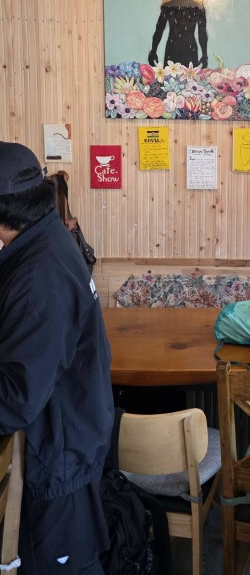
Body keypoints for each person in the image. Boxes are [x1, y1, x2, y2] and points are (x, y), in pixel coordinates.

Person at [0, 141, 114, 574]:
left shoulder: (39, 274)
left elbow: (16, 398)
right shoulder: (47, 238)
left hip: (59, 454)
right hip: (73, 434)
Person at [148, 0, 208, 68]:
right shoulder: (196, 8)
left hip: (181, 49)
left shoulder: (169, 7)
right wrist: (153, 51)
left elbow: (202, 33)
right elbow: (159, 30)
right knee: (173, 75)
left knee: (183, 76)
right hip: (179, 49)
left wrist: (153, 51)